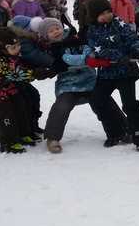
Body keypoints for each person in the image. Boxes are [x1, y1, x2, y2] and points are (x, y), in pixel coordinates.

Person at [0, 27, 56, 153]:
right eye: (13, 47)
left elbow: (19, 66)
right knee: (5, 109)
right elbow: (17, 73)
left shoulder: (10, 53)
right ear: (2, 48)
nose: (17, 49)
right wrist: (45, 73)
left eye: (17, 45)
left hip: (4, 82)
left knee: (19, 102)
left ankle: (23, 134)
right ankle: (8, 142)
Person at [86, 0, 139, 150]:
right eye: (102, 14)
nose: (107, 16)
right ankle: (115, 132)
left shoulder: (119, 23)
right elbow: (98, 49)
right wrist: (117, 56)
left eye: (108, 11)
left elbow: (132, 38)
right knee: (97, 101)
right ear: (95, 16)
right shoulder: (92, 31)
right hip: (107, 73)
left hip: (126, 72)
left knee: (129, 104)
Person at [35, 18, 97, 153]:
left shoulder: (75, 39)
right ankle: (52, 137)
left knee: (104, 101)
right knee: (61, 106)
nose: (56, 32)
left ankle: (123, 130)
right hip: (68, 83)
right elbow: (65, 58)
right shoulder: (49, 50)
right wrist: (85, 59)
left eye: (57, 28)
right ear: (46, 36)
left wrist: (91, 56)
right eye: (51, 31)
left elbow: (87, 49)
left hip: (89, 80)